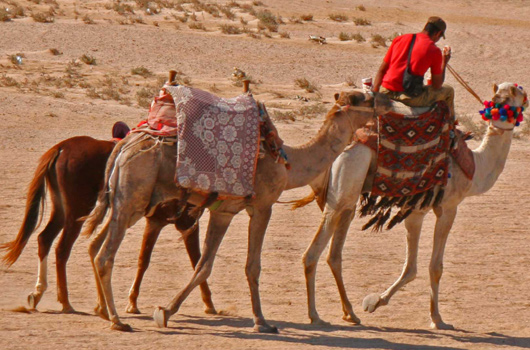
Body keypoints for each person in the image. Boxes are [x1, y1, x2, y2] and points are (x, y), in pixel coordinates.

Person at [372, 16, 455, 117]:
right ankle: (451, 128)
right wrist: (444, 62)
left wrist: (375, 94)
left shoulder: (399, 39)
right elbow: (437, 85)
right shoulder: (434, 50)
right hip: (408, 97)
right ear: (437, 33)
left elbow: (382, 70)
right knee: (449, 90)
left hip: (385, 91)